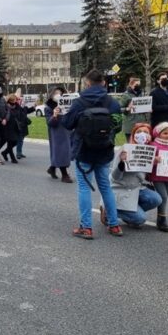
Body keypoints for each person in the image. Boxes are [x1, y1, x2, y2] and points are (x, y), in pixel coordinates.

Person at [58, 69, 123, 239]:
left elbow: (68, 124)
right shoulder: (112, 102)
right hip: (104, 150)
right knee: (106, 188)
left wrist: (62, 115)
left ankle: (86, 228)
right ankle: (114, 225)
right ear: (103, 83)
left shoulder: (79, 102)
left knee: (84, 188)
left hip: (83, 151)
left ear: (87, 83)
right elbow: (118, 126)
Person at [108, 123, 163, 228]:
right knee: (140, 219)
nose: (142, 134)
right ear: (133, 135)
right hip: (121, 188)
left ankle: (130, 211)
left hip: (137, 188)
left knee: (156, 199)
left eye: (146, 132)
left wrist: (155, 164)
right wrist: (122, 164)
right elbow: (115, 177)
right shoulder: (125, 149)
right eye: (138, 132)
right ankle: (110, 211)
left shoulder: (149, 151)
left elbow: (149, 176)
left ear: (150, 136)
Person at [148, 121, 168, 232]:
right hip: (157, 175)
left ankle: (160, 218)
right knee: (163, 197)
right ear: (158, 133)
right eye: (165, 133)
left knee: (165, 197)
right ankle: (162, 220)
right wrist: (154, 160)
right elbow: (147, 160)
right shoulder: (153, 145)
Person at [45, 87, 73, 183]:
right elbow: (50, 123)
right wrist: (54, 115)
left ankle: (52, 168)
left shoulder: (65, 105)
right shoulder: (48, 107)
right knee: (61, 152)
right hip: (56, 133)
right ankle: (64, 175)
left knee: (64, 152)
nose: (58, 95)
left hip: (66, 131)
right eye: (56, 93)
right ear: (51, 95)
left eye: (60, 94)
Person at [119, 77, 149, 142]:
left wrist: (147, 108)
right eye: (136, 85)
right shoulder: (125, 95)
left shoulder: (141, 94)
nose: (138, 86)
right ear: (131, 85)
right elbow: (120, 108)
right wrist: (127, 108)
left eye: (139, 85)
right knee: (131, 143)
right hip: (130, 124)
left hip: (141, 124)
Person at [0, 94, 25, 164]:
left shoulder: (16, 106)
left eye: (16, 100)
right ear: (10, 100)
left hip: (15, 127)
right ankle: (13, 158)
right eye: (15, 100)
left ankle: (4, 152)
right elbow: (3, 115)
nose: (16, 101)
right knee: (10, 143)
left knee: (16, 142)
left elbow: (22, 111)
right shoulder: (6, 106)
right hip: (7, 127)